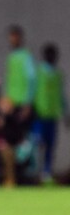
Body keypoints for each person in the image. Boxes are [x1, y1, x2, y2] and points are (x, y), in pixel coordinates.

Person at [33, 43, 68, 183]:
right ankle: (34, 172)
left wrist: (65, 112)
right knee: (37, 143)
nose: (52, 57)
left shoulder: (58, 73)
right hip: (39, 114)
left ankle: (46, 173)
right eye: (49, 54)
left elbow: (61, 95)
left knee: (50, 145)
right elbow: (33, 91)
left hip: (52, 115)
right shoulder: (39, 72)